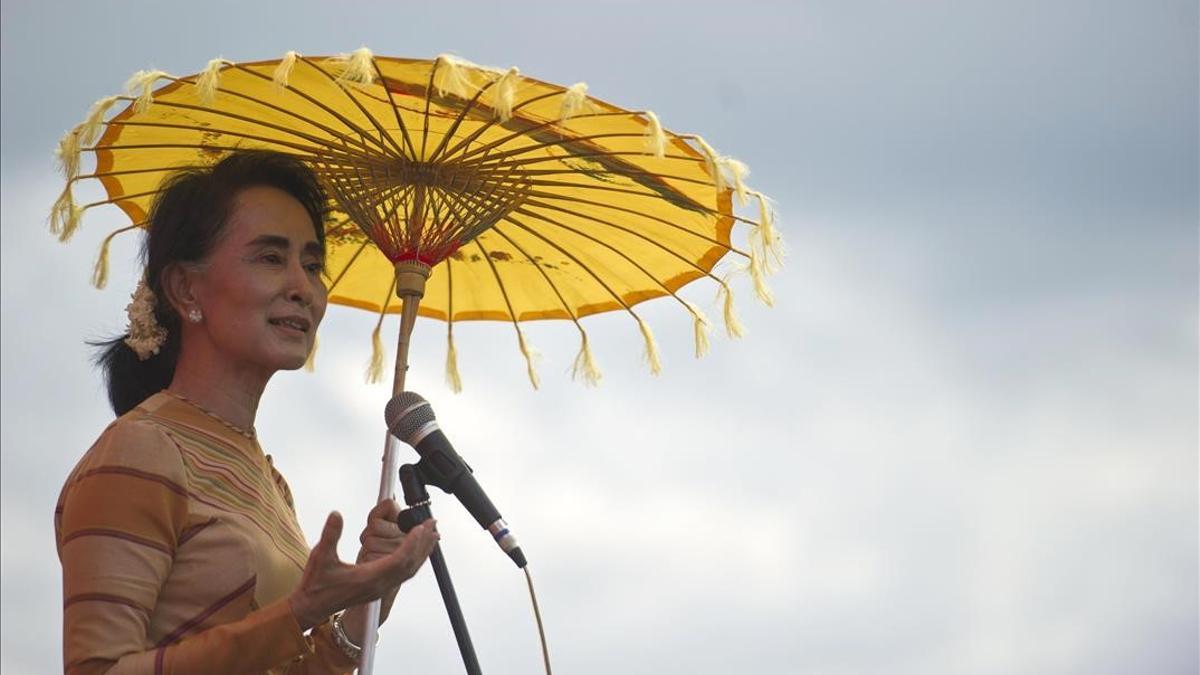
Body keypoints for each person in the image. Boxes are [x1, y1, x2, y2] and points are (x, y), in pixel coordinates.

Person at [55, 150, 438, 674]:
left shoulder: (269, 481)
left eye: (311, 264)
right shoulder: (141, 449)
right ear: (186, 288)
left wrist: (366, 600)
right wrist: (302, 609)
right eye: (270, 258)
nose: (303, 289)